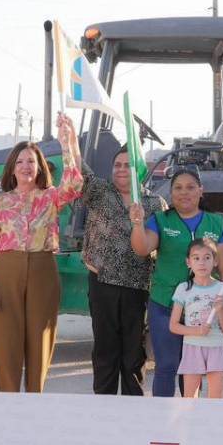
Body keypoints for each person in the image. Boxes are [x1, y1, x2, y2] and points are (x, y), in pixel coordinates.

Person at [0, 114, 83, 392]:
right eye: (20, 162)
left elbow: (74, 184)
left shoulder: (50, 197)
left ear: (39, 168)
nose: (26, 166)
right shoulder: (0, 203)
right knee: (7, 344)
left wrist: (67, 143)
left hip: (42, 270)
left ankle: (35, 400)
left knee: (40, 341)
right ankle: (9, 402)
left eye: (31, 162)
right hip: (6, 273)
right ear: (12, 169)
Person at [130, 168, 223, 397]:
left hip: (204, 310)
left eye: (190, 187)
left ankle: (190, 414)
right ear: (171, 193)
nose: (184, 192)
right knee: (166, 366)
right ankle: (163, 416)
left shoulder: (217, 223)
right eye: (177, 188)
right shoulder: (160, 220)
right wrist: (137, 225)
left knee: (193, 370)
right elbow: (142, 248)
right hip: (165, 305)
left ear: (201, 191)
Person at [81, 147, 167, 395]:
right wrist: (70, 140)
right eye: (117, 164)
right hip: (103, 284)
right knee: (105, 353)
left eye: (127, 165)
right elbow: (78, 170)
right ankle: (104, 407)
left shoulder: (155, 203)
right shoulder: (100, 192)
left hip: (137, 287)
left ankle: (133, 408)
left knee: (133, 356)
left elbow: (163, 245)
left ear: (138, 169)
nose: (120, 169)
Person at [169, 239, 223, 398]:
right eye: (196, 258)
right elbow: (173, 326)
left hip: (216, 347)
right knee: (189, 399)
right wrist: (197, 331)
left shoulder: (222, 289)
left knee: (215, 399)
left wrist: (220, 310)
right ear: (188, 262)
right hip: (192, 347)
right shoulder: (183, 289)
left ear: (215, 261)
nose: (202, 262)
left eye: (207, 257)